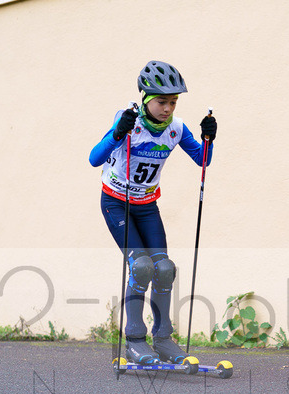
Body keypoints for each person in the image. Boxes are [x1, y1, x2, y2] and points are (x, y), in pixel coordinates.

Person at [89, 60, 217, 364]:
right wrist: (117, 133)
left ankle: (163, 339)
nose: (167, 109)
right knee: (142, 266)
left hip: (146, 206)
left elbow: (203, 160)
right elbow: (94, 159)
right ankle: (135, 340)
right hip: (117, 203)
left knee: (165, 269)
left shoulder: (176, 129)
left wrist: (208, 139)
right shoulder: (127, 120)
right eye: (161, 102)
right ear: (146, 98)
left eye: (173, 102)